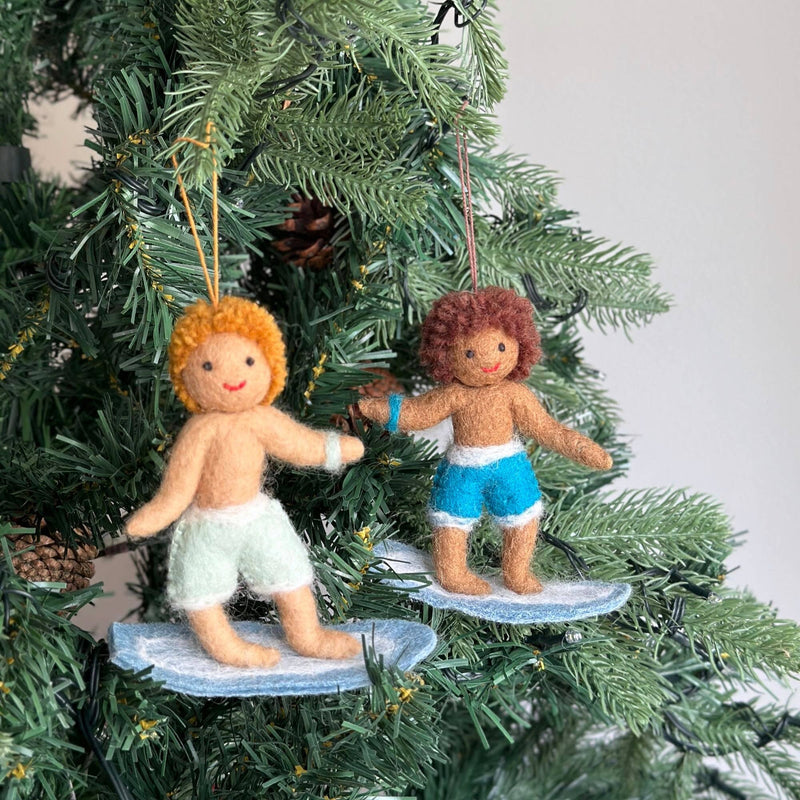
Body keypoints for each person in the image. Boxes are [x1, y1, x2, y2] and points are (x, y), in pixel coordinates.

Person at [126, 295, 363, 667]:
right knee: (199, 590)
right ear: (186, 374)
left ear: (269, 363)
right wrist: (157, 514)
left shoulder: (261, 419)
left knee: (290, 572)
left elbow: (301, 444)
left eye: (249, 361)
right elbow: (178, 488)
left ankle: (307, 635)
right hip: (208, 526)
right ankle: (226, 647)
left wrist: (334, 448)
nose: (231, 377)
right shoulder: (199, 430)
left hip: (256, 518)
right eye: (208, 365)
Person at [359, 287, 612, 595]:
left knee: (524, 516)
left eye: (501, 347)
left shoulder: (514, 394)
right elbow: (419, 412)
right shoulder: (455, 394)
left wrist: (583, 449)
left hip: (508, 465)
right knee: (451, 518)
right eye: (469, 353)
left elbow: (547, 429)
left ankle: (517, 573)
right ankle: (452, 573)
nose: (489, 360)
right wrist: (375, 408)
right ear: (445, 355)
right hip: (463, 468)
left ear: (520, 343)